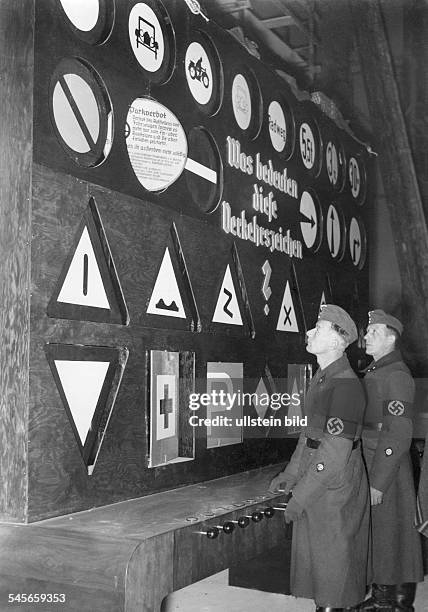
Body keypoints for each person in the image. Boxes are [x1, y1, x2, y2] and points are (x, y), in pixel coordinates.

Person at [269, 304, 370, 612]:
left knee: (334, 568)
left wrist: (301, 495)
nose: (310, 332)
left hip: (335, 484)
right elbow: (310, 436)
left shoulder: (346, 386)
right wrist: (290, 474)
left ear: (339, 341)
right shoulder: (324, 378)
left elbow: (334, 454)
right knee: (322, 568)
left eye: (320, 328)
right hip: (321, 476)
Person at [357, 310, 423, 612]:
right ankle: (383, 596)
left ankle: (397, 603)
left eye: (373, 331)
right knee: (383, 533)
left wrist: (379, 481)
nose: (366, 336)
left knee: (395, 533)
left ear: (391, 337)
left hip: (389, 466)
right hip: (374, 459)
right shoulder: (377, 370)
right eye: (367, 331)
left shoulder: (396, 374)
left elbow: (397, 433)